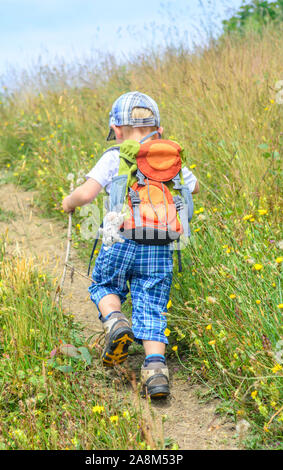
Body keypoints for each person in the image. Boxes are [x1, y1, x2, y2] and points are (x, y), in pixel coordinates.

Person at [62, 91, 199, 398]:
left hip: (120, 239)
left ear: (117, 130)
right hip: (161, 244)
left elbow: (85, 195)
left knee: (104, 285)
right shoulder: (169, 158)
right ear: (159, 129)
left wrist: (68, 203)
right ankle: (156, 371)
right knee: (152, 304)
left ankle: (115, 320)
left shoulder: (114, 157)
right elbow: (195, 187)